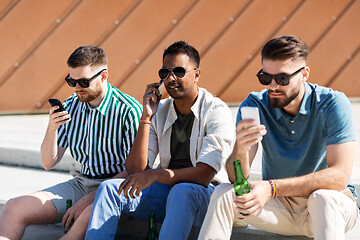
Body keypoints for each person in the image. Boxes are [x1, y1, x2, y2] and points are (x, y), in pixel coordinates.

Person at [198, 35, 359, 240]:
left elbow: (339, 177)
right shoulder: (255, 104)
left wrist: (272, 187)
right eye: (266, 78)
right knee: (223, 193)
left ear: (304, 74)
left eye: (282, 79)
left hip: (330, 206)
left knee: (322, 199)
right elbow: (236, 178)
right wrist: (240, 147)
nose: (273, 86)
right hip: (280, 207)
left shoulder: (332, 103)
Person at [85, 40, 235, 239]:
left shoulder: (216, 111)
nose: (171, 78)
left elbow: (205, 174)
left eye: (179, 71)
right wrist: (146, 117)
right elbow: (135, 170)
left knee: (182, 191)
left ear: (197, 74)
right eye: (165, 72)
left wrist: (157, 175)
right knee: (110, 188)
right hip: (168, 193)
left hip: (207, 196)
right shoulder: (161, 110)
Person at [0, 45, 142, 240]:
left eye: (83, 81)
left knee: (74, 232)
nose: (76, 88)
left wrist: (89, 199)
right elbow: (48, 163)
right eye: (71, 81)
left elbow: (136, 170)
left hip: (117, 189)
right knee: (13, 208)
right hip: (81, 184)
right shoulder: (71, 106)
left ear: (104, 76)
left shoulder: (129, 111)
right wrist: (51, 128)